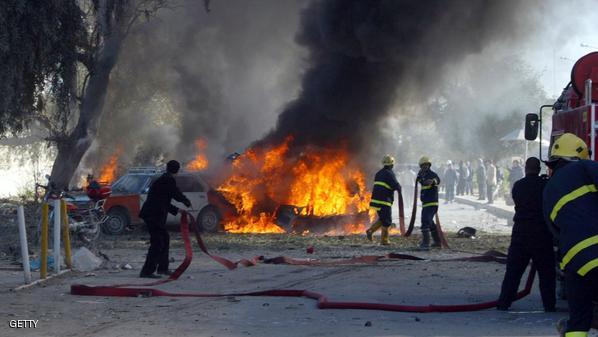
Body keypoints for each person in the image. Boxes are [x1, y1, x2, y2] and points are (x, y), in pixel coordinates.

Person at [542, 133, 598, 337]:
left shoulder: (548, 191)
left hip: (574, 262)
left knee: (578, 322)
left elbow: (554, 230)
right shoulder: (585, 167)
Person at [497, 157, 555, 312]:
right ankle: (549, 306)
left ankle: (504, 303)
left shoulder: (518, 186)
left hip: (521, 233)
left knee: (513, 272)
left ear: (525, 168)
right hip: (541, 234)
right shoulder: (545, 185)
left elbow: (516, 201)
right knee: (546, 274)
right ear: (539, 169)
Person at [139, 160, 192, 278]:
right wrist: (186, 201)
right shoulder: (168, 180)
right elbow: (176, 193)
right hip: (153, 215)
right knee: (157, 242)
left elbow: (163, 201)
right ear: (177, 170)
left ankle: (162, 268)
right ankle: (147, 271)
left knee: (164, 238)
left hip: (153, 214)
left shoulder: (163, 179)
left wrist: (177, 210)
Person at [366, 155, 401, 245]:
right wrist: (399, 188)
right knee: (387, 220)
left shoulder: (379, 173)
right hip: (384, 201)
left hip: (376, 201)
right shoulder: (390, 173)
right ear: (392, 164)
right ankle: (384, 240)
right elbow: (395, 185)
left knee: (383, 218)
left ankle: (370, 230)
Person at [417, 156, 442, 250]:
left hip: (431, 203)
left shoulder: (432, 174)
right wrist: (420, 177)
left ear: (429, 165)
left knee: (425, 222)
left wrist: (433, 181)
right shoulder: (422, 175)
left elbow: (438, 180)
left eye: (426, 165)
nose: (425, 167)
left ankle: (426, 243)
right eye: (423, 165)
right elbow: (420, 181)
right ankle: (437, 242)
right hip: (426, 203)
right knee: (430, 223)